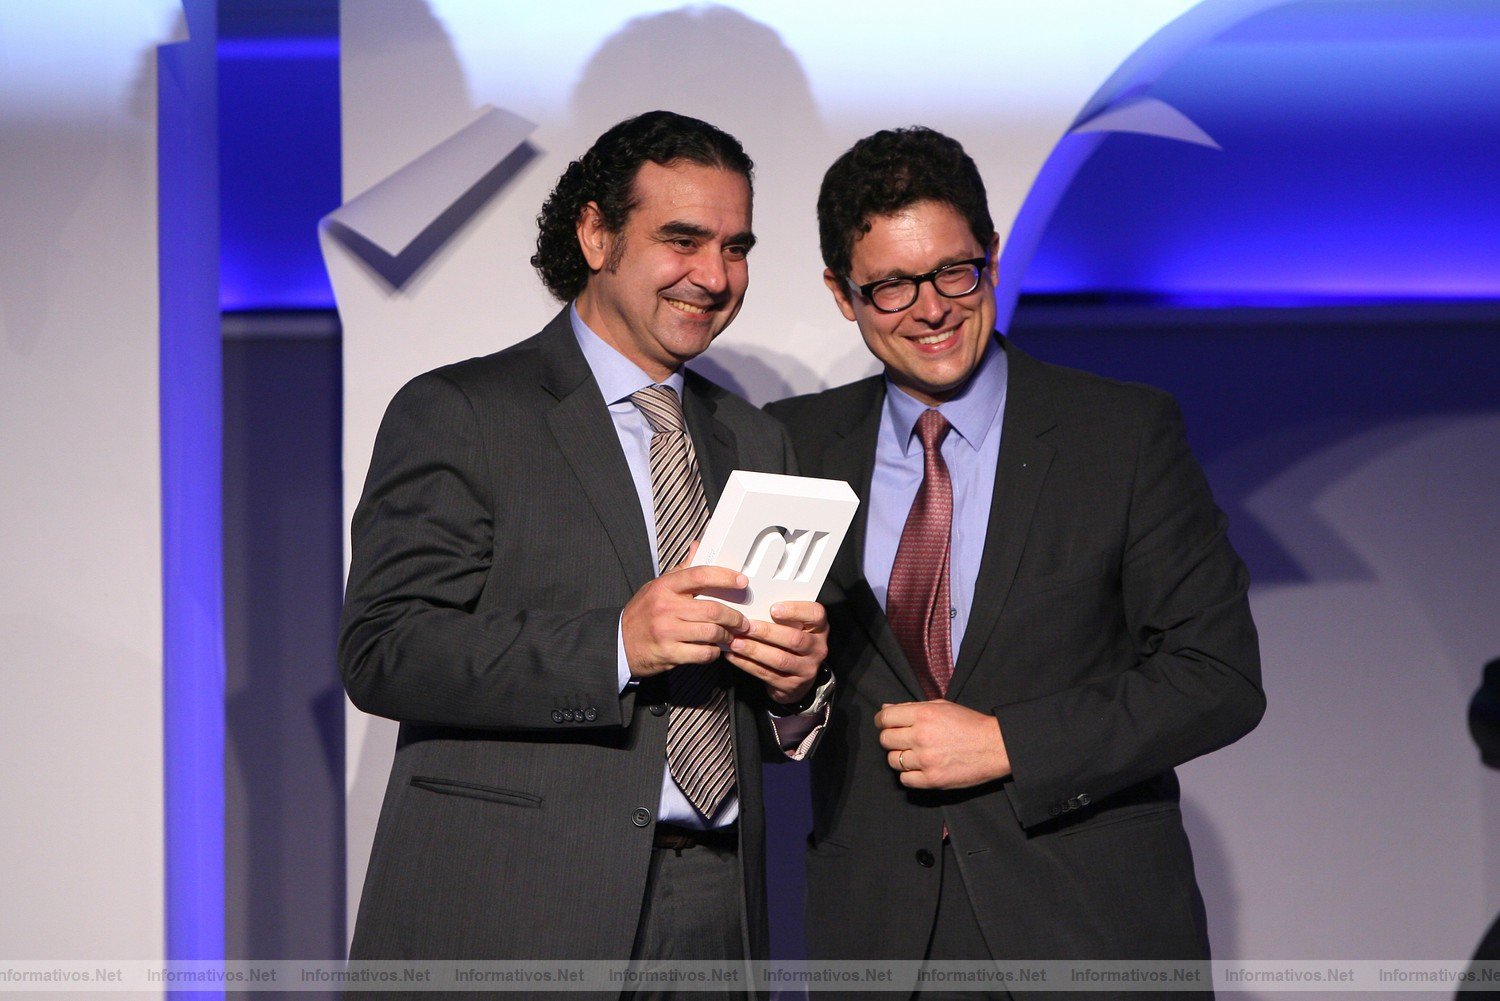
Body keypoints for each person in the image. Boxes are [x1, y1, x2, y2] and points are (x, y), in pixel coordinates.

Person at [766, 127, 1264, 993]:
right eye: (889, 286)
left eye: (953, 271)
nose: (930, 309)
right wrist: (786, 695)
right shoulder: (787, 444)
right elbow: (758, 698)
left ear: (992, 258)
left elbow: (1216, 675)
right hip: (877, 936)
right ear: (842, 295)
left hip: (1089, 928)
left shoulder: (1122, 435)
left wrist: (1009, 742)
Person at [339, 110, 830, 989]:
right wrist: (613, 645)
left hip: (718, 911)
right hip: (514, 907)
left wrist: (791, 694)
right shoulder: (462, 410)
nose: (715, 276)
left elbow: (732, 716)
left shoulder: (757, 441)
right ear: (596, 233)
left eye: (736, 245)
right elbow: (386, 649)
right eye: (682, 238)